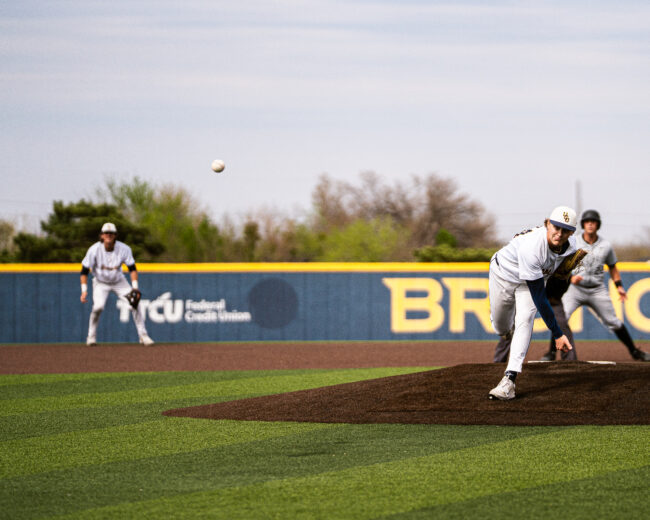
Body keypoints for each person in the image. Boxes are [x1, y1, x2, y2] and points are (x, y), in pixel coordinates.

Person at [488, 206, 577, 400]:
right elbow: (540, 296)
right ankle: (504, 331)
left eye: (565, 230)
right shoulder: (533, 248)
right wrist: (557, 333)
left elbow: (552, 283)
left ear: (571, 232)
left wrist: (564, 276)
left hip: (528, 283)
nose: (560, 234)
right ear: (547, 224)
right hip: (503, 274)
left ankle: (509, 380)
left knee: (525, 320)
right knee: (501, 327)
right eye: (556, 227)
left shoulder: (572, 247)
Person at [540, 209, 650, 362]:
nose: (590, 224)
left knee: (613, 321)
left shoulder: (606, 245)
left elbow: (612, 266)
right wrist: (568, 278)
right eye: (587, 222)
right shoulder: (574, 242)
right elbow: (560, 263)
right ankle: (551, 352)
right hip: (575, 289)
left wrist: (618, 286)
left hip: (597, 290)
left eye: (593, 222)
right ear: (583, 224)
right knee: (561, 318)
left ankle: (634, 351)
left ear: (598, 225)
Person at [80, 222, 154, 346]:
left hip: (119, 281)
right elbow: (84, 271)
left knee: (135, 303)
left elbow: (132, 268)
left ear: (115, 235)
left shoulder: (124, 249)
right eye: (106, 233)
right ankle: (91, 337)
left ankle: (143, 336)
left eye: (111, 233)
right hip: (100, 282)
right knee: (98, 307)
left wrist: (135, 288)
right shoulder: (94, 250)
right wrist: (84, 290)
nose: (109, 235)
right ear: (102, 236)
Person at [493, 276, 577, 363]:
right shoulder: (535, 264)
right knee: (511, 326)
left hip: (551, 297)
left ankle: (571, 362)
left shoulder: (562, 267)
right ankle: (498, 362)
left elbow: (562, 287)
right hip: (528, 294)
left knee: (562, 325)